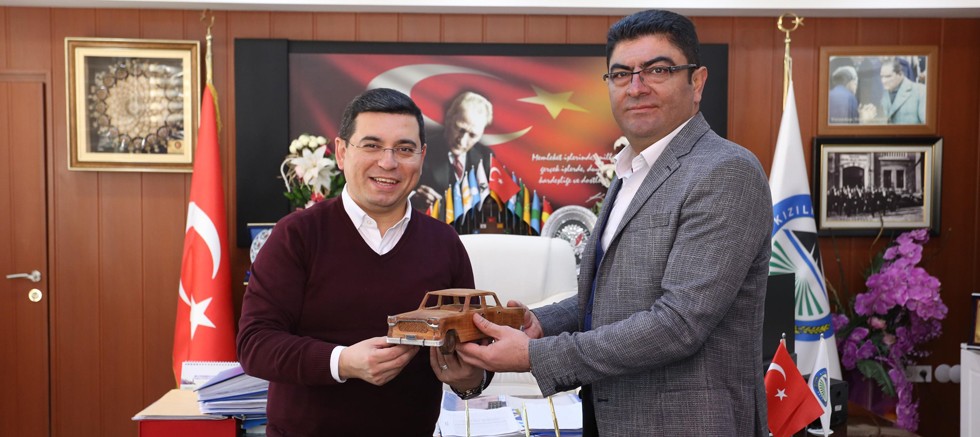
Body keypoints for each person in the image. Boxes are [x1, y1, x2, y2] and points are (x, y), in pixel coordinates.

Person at [456, 9, 772, 437]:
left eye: (657, 70)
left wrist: (536, 355)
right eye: (622, 74)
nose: (636, 87)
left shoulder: (725, 171)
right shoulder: (630, 172)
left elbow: (678, 324)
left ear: (696, 82)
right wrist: (542, 322)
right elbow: (613, 295)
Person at [237, 88, 486, 436]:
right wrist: (342, 362)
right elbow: (255, 344)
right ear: (341, 152)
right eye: (371, 145)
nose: (388, 162)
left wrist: (470, 378)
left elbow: (473, 355)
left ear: (422, 156)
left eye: (405, 149)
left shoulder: (445, 244)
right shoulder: (296, 235)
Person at [414, 91, 494, 217]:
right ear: (448, 118)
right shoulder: (420, 151)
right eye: (460, 129)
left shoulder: (486, 157)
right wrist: (415, 197)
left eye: (472, 135)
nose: (462, 141)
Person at [879, 57, 927, 124]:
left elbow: (927, 125)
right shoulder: (881, 94)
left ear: (900, 74)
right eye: (882, 77)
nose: (883, 81)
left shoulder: (920, 91)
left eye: (888, 76)